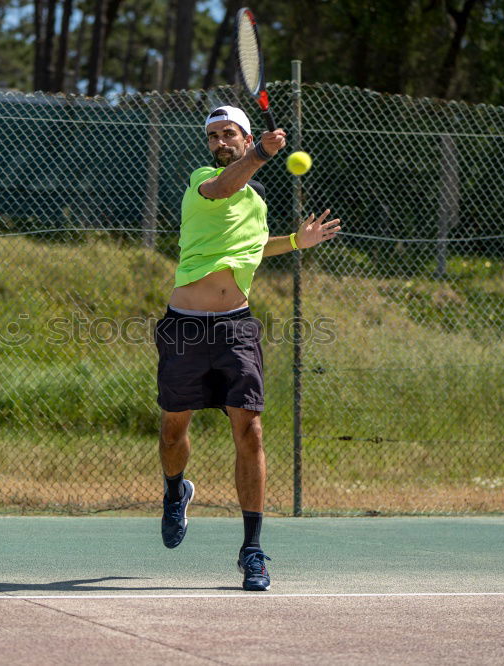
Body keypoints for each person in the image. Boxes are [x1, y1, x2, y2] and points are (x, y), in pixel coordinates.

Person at [154, 105, 341, 591]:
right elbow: (223, 187)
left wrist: (297, 242)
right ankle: (177, 490)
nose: (220, 141)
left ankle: (253, 551)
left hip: (236, 326)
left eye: (229, 134)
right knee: (174, 431)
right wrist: (261, 154)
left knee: (251, 430)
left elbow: (255, 246)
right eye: (213, 136)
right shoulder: (204, 181)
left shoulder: (254, 201)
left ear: (244, 134)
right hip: (186, 327)